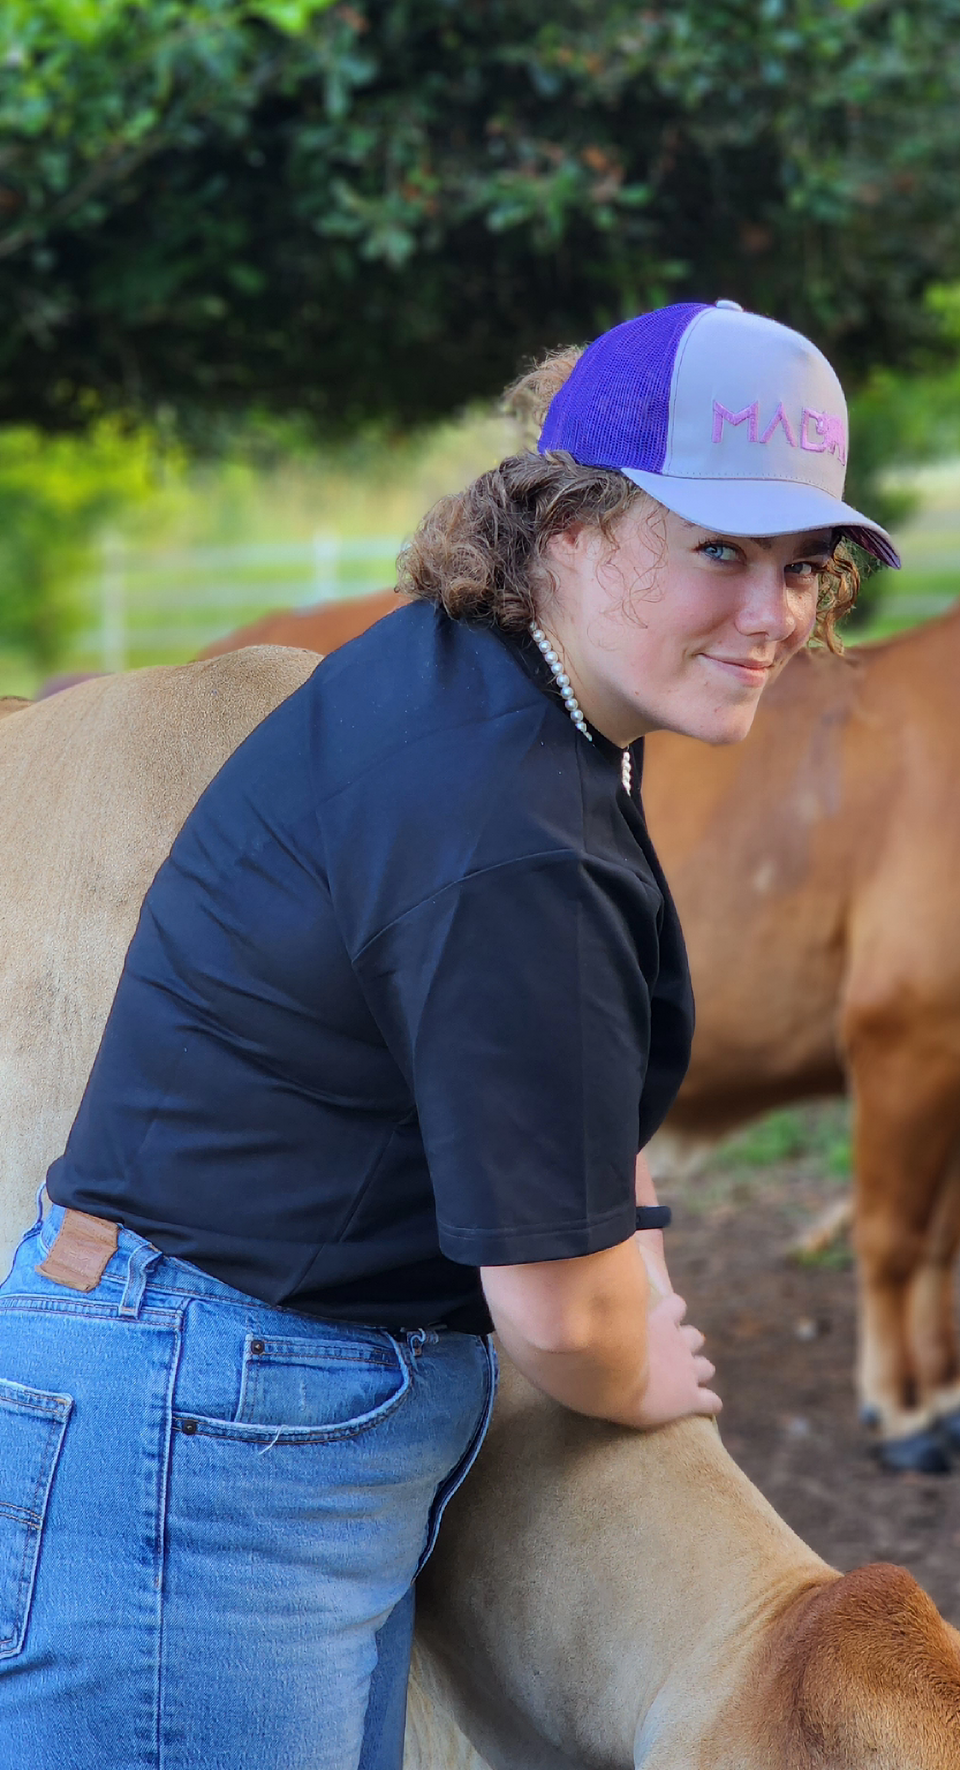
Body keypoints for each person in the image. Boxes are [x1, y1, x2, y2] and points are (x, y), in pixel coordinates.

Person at [0, 299, 899, 1768]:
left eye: (808, 564)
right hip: (204, 1445)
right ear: (567, 521)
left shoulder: (481, 673)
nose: (775, 616)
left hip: (230, 1400)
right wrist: (644, 1367)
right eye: (719, 551)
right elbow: (560, 1314)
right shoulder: (514, 826)